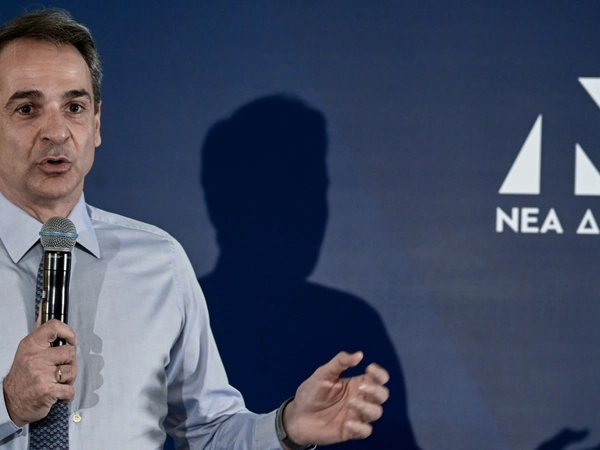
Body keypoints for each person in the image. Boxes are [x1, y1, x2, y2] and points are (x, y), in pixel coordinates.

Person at [0, 8, 389, 450]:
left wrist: (287, 427)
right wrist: (7, 403)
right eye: (27, 109)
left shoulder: (158, 262)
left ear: (97, 124)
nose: (56, 132)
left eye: (74, 107)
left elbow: (208, 432)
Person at [197, 94, 421, 450]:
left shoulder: (352, 325)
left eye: (315, 189)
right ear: (224, 202)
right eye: (283, 192)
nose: (308, 213)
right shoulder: (178, 315)